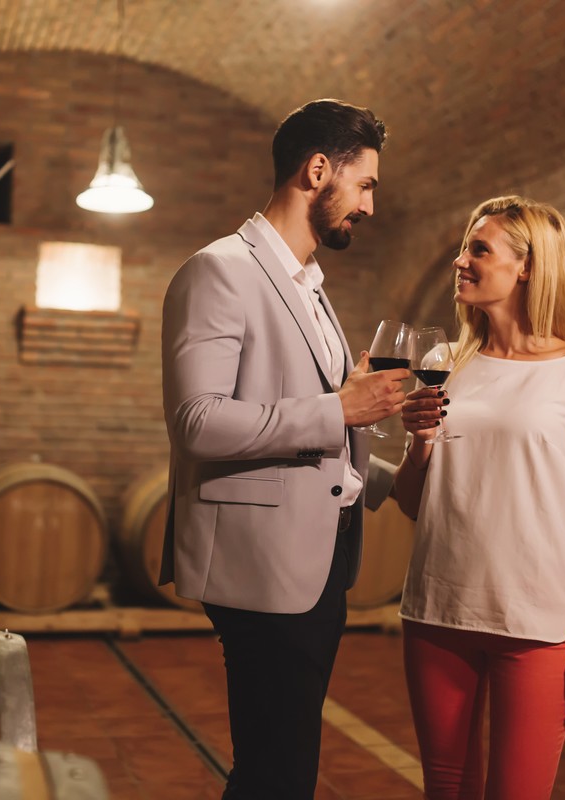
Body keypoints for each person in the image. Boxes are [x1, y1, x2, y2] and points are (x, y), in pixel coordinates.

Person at [160, 98, 405, 800]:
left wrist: (377, 460)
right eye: (365, 186)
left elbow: (321, 423)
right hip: (263, 560)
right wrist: (340, 407)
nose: (368, 206)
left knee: (284, 765)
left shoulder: (310, 286)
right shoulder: (220, 271)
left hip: (320, 556)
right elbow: (198, 423)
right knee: (277, 771)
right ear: (318, 170)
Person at [393, 195, 565, 800]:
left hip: (536, 621)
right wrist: (419, 443)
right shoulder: (446, 362)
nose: (461, 262)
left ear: (527, 266)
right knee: (446, 789)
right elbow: (414, 502)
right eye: (464, 248)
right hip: (438, 608)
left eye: (479, 249)